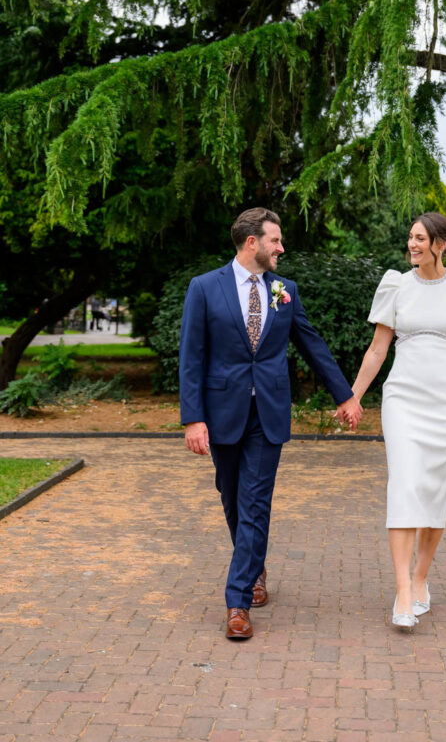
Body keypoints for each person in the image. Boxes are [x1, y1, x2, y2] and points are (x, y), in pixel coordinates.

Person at [179, 207, 362, 641]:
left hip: (270, 414)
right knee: (232, 499)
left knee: (255, 502)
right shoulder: (205, 288)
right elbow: (192, 358)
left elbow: (311, 343)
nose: (281, 248)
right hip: (222, 412)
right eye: (275, 240)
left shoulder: (285, 290)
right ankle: (255, 567)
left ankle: (237, 601)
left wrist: (345, 395)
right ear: (251, 243)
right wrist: (193, 419)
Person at [351, 212, 446, 629]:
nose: (412, 244)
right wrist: (354, 396)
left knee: (435, 493)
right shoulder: (396, 284)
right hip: (403, 397)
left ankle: (420, 578)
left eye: (420, 238)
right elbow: (378, 349)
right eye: (411, 237)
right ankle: (402, 591)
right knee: (403, 484)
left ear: (442, 244)